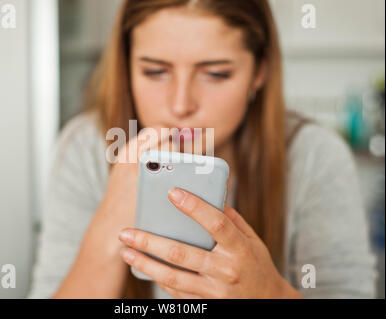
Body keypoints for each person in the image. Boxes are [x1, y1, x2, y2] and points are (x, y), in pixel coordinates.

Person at [28, 0, 377, 298]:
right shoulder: (86, 147)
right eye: (155, 72)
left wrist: (269, 292)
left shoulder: (314, 156)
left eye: (215, 74)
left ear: (260, 72)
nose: (181, 105)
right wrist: (107, 231)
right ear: (126, 66)